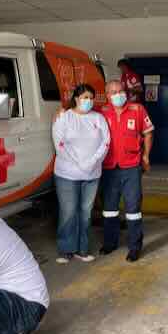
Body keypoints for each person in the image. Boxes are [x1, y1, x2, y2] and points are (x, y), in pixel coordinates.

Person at [52, 83, 110, 264]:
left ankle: (82, 249)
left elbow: (106, 142)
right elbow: (59, 144)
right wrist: (80, 164)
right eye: (85, 97)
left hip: (92, 175)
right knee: (69, 212)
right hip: (67, 174)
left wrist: (91, 163)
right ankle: (65, 249)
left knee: (85, 213)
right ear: (76, 99)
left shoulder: (98, 118)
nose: (89, 101)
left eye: (91, 98)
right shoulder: (63, 118)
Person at [99, 80, 154, 262]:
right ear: (107, 95)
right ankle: (110, 243)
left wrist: (145, 156)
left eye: (120, 91)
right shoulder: (100, 112)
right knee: (109, 209)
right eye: (113, 92)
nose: (117, 94)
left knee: (133, 209)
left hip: (131, 166)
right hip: (108, 167)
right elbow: (78, 113)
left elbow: (148, 132)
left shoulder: (137, 110)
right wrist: (61, 112)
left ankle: (134, 247)